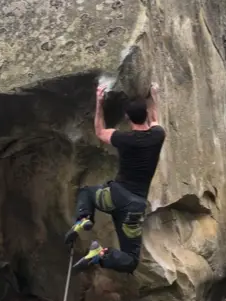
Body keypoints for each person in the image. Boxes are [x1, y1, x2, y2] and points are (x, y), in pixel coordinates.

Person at [65, 82, 165, 274]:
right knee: (131, 260)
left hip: (114, 196)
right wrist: (154, 96)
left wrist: (99, 102)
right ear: (145, 115)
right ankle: (100, 255)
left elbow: (100, 131)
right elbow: (155, 119)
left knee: (86, 192)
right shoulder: (157, 136)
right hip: (134, 208)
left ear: (127, 118)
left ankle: (84, 218)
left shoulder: (123, 139)